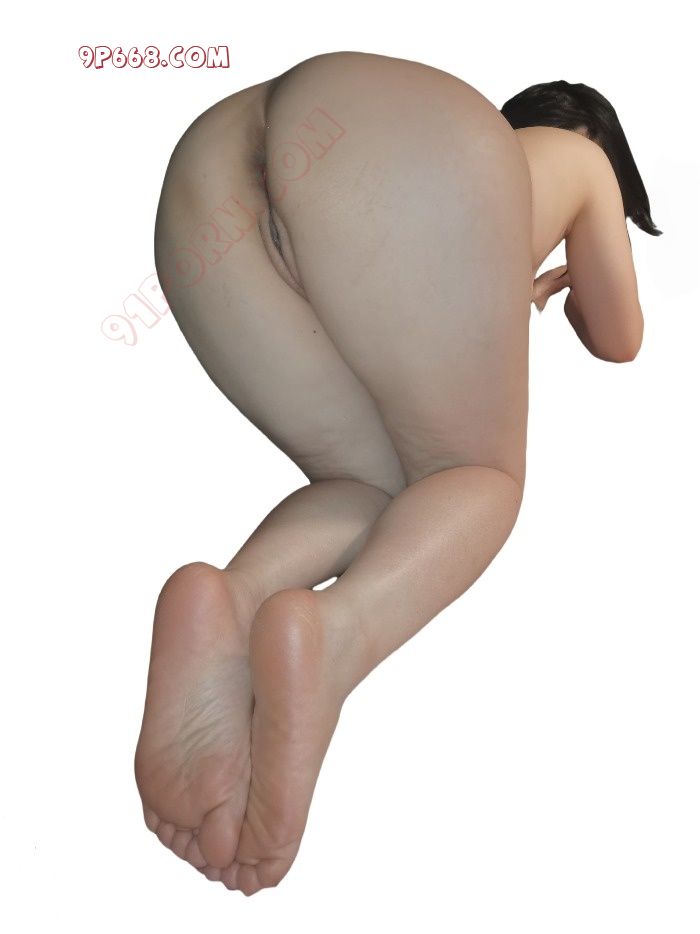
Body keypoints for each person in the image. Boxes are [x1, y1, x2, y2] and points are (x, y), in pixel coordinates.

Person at [134, 51, 661, 896]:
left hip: (212, 168)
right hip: (389, 157)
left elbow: (417, 269)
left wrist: (501, 284)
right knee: (477, 477)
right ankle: (334, 636)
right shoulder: (578, 157)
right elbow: (621, 336)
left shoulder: (479, 177)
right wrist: (559, 287)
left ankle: (232, 600)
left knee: (379, 485)